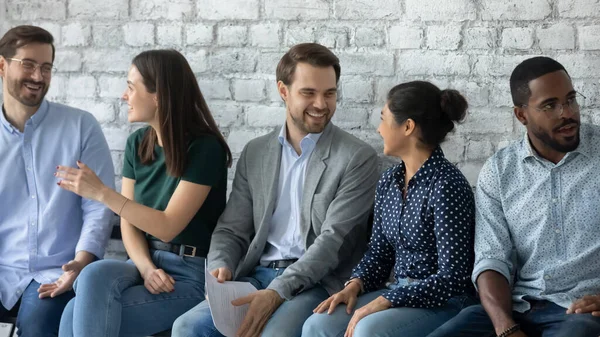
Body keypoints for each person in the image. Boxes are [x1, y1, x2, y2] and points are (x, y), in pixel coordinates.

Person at [171, 42, 380, 337]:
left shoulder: (357, 158)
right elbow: (232, 228)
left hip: (318, 282)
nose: (321, 104)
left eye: (329, 93)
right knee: (187, 327)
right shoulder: (257, 152)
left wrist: (278, 291)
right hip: (256, 275)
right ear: (283, 91)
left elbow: (333, 243)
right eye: (309, 92)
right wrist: (221, 268)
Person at [57, 49, 232, 336]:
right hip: (142, 262)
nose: (124, 96)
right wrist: (147, 268)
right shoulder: (137, 143)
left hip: (188, 275)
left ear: (158, 96)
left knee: (73, 315)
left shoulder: (205, 149)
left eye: (130, 87)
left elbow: (167, 226)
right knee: (92, 274)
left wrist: (102, 193)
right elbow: (129, 222)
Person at [428, 57, 600, 337]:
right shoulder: (499, 171)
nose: (566, 113)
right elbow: (491, 259)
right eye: (550, 105)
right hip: (518, 307)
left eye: (570, 100)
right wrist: (505, 327)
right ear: (521, 115)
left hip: (579, 312)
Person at [302, 81, 476, 337]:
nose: (379, 129)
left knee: (368, 330)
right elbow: (379, 254)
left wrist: (389, 300)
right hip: (396, 292)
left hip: (444, 301)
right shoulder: (388, 181)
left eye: (384, 119)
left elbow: (454, 277)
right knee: (317, 325)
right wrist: (355, 285)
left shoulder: (447, 185)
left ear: (407, 126)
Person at [0, 25, 115, 337]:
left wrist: (80, 263)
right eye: (28, 64)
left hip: (59, 272)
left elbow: (99, 206)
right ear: (2, 65)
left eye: (46, 67)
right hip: (3, 270)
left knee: (37, 328)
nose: (38, 77)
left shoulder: (80, 127)